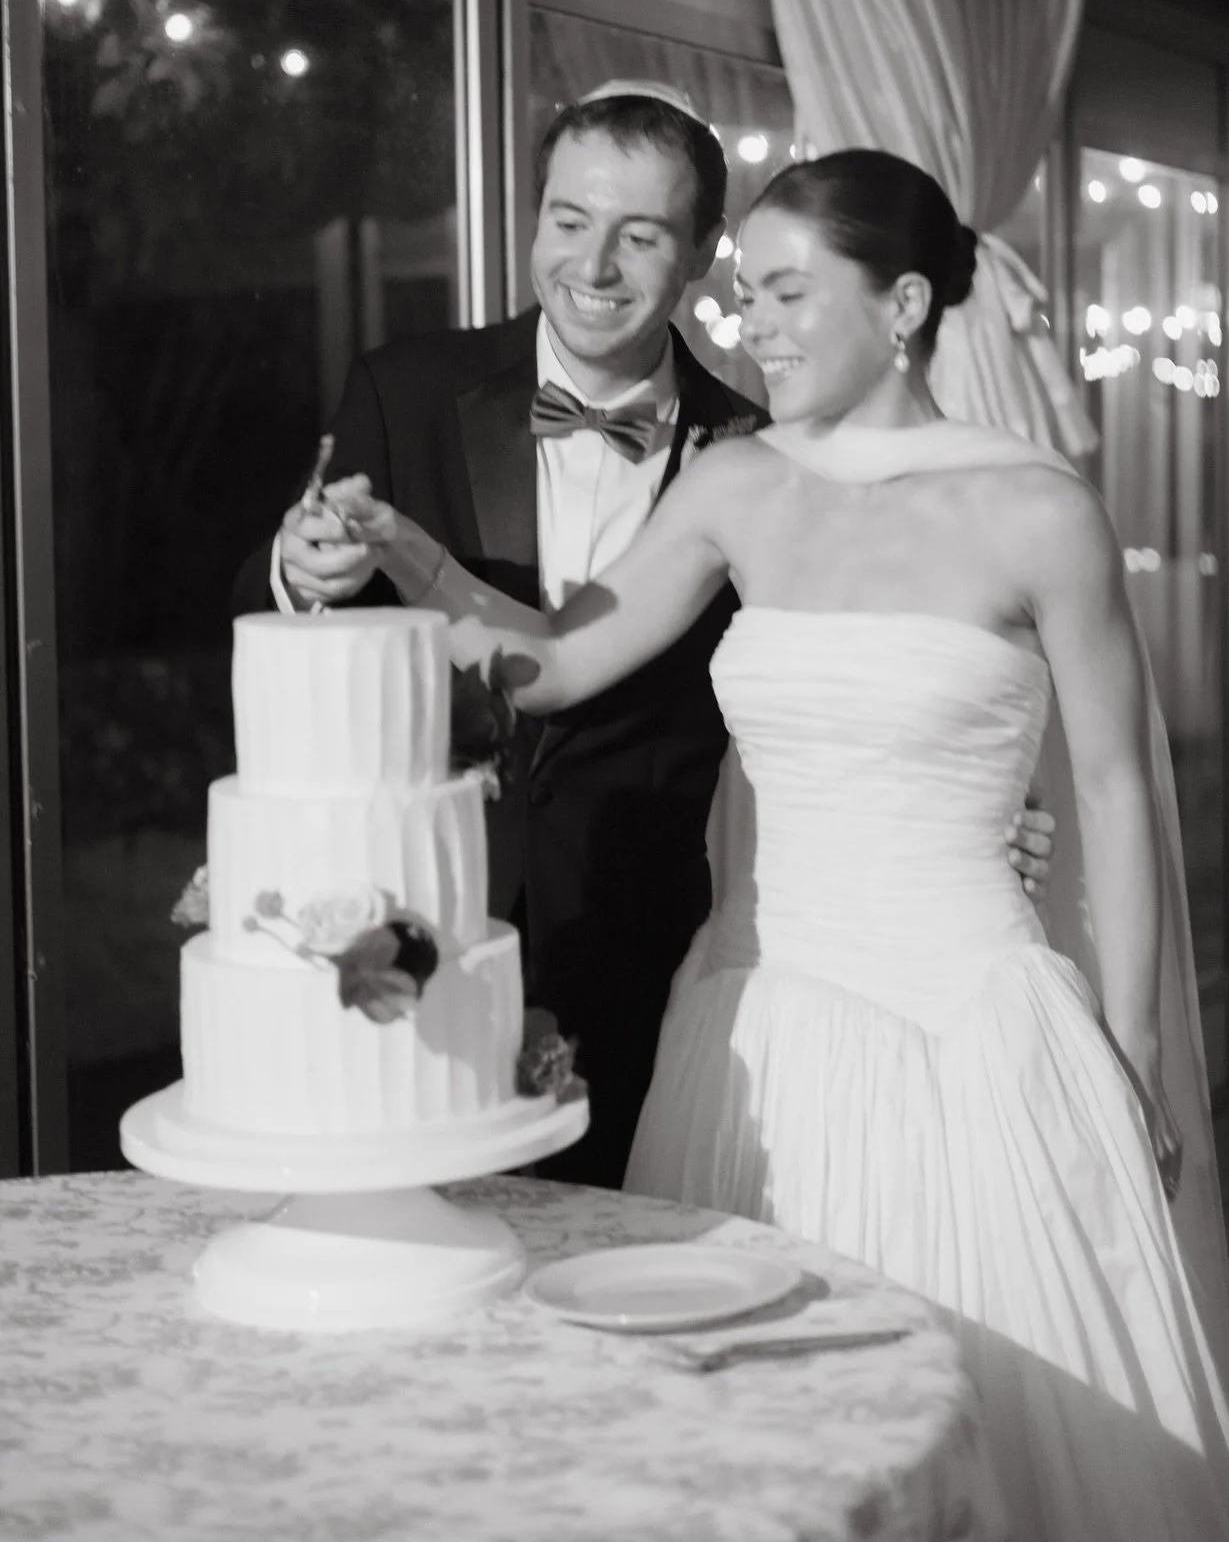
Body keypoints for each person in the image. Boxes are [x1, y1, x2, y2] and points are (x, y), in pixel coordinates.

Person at [327, 147, 1229, 1542]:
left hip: (970, 1034)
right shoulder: (737, 483)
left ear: (902, 303)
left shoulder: (1039, 508)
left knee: (1017, 1437)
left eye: (788, 293)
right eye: (748, 293)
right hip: (756, 1033)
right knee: (751, 1453)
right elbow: (558, 661)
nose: (755, 327)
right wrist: (411, 556)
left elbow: (1109, 786)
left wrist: (1145, 1054)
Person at [234, 89, 1055, 1190]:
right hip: (413, 924)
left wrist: (976, 802)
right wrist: (305, 568)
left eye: (641, 233)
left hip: (646, 948)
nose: (595, 262)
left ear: (705, 252)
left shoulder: (769, 456)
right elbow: (272, 595)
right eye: (569, 220)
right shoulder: (409, 387)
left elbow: (878, 674)